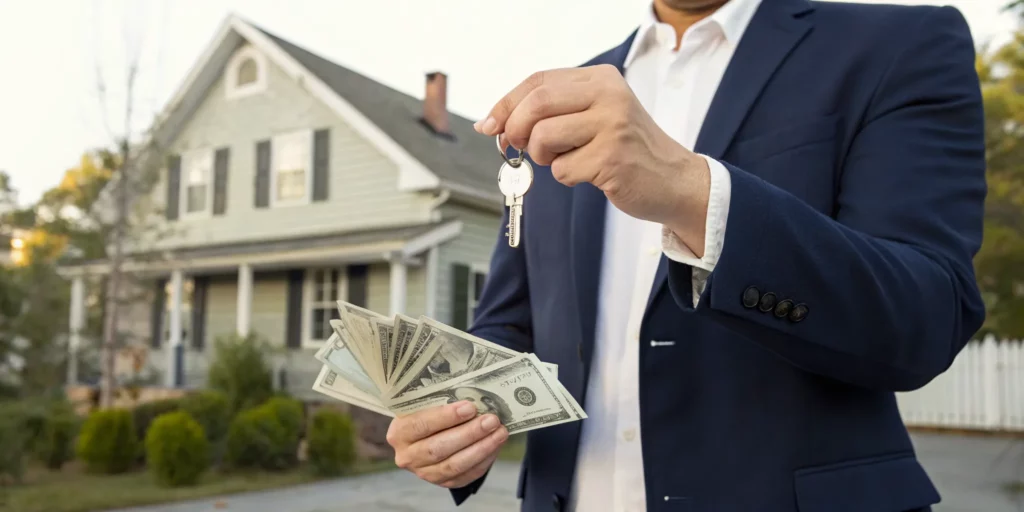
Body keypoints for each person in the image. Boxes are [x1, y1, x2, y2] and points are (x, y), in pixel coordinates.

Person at [384, 0, 987, 510]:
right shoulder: (561, 98)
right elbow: (512, 319)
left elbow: (925, 316)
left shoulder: (898, 44)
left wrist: (694, 193)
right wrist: (457, 421)